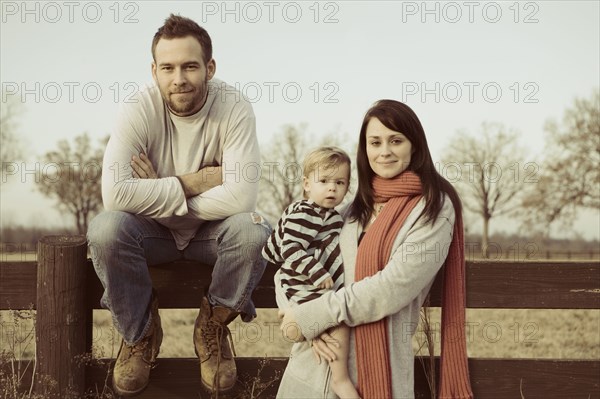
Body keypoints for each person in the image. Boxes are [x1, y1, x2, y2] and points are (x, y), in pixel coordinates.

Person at [86, 14, 270, 397]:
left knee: (253, 230)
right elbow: (115, 196)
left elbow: (241, 198)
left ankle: (213, 324)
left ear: (210, 67)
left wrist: (156, 192)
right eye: (167, 67)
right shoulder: (138, 108)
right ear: (154, 70)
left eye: (190, 66)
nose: (179, 78)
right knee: (106, 229)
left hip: (210, 235)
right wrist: (194, 182)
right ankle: (140, 335)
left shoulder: (234, 107)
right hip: (153, 236)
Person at [277, 100, 473, 398]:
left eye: (396, 140)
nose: (384, 151)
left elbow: (392, 288)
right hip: (312, 364)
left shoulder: (433, 207)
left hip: (377, 373)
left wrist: (314, 316)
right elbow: (286, 268)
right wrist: (301, 317)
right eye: (375, 142)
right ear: (364, 149)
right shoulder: (351, 211)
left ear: (415, 146)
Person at [262, 146, 361, 398]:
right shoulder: (304, 212)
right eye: (324, 181)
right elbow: (290, 250)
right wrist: (318, 273)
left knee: (334, 323)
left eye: (340, 182)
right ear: (307, 184)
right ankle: (340, 381)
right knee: (338, 323)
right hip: (302, 282)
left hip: (310, 284)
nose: (332, 188)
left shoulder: (330, 215)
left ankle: (314, 335)